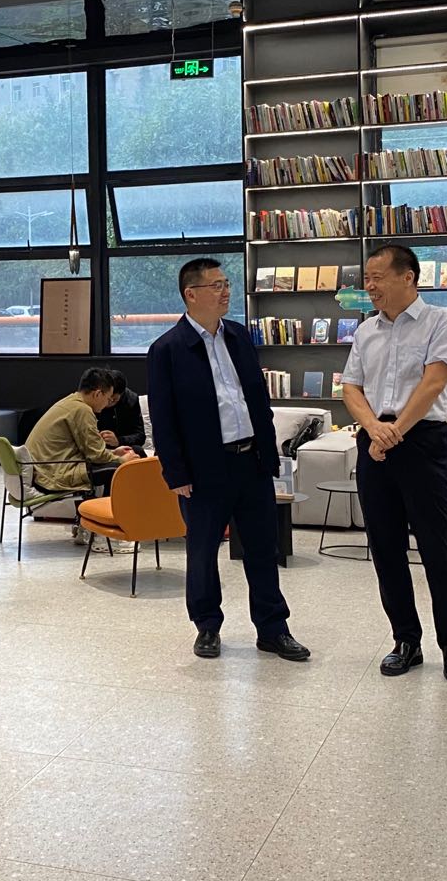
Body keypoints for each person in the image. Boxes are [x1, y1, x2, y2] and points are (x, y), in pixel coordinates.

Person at [147, 258, 310, 663]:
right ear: (191, 294)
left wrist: (270, 455)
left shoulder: (238, 336)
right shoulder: (167, 349)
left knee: (262, 549)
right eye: (216, 285)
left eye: (226, 284)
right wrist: (175, 472)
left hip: (251, 461)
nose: (225, 292)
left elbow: (257, 401)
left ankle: (273, 629)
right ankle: (207, 626)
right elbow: (163, 419)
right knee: (203, 552)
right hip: (203, 469)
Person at [341, 244, 447, 683]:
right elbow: (351, 388)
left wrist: (393, 431)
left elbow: (434, 383)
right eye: (367, 278)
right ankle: (406, 641)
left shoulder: (443, 321)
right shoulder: (366, 331)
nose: (369, 286)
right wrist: (374, 429)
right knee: (385, 547)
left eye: (377, 277)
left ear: (408, 277)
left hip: (423, 441)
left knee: (437, 547)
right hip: (374, 441)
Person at [25, 368, 135, 494]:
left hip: (45, 470)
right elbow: (96, 456)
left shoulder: (71, 401)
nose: (107, 404)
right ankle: (114, 506)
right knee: (122, 468)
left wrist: (114, 452)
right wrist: (122, 461)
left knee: (123, 461)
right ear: (98, 394)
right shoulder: (83, 410)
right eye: (108, 398)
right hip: (53, 476)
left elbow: (91, 451)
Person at [97, 369, 147, 458]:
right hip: (98, 447)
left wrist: (118, 441)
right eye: (107, 398)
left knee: (138, 451)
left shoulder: (131, 400)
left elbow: (140, 436)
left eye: (113, 400)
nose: (107, 403)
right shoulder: (94, 398)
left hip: (122, 446)